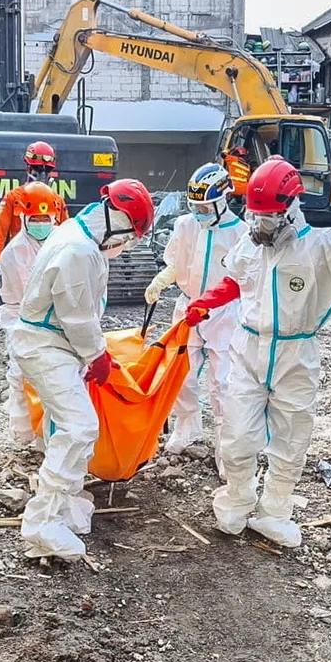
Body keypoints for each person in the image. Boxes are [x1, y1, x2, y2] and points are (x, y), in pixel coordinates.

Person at [184, 157, 331, 548]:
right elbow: (236, 281)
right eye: (255, 216)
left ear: (289, 209)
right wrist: (207, 301)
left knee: (291, 439)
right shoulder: (250, 244)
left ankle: (274, 512)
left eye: (268, 217)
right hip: (247, 349)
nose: (259, 226)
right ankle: (236, 501)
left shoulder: (318, 246)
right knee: (236, 435)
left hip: (295, 352)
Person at [11, 179, 155, 559]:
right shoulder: (77, 250)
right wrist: (98, 357)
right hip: (46, 345)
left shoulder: (80, 237)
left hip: (57, 344)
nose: (125, 247)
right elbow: (76, 316)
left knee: (67, 425)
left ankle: (67, 502)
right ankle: (42, 522)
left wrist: (89, 355)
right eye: (130, 237)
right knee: (80, 426)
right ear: (119, 221)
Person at [144, 163, 247, 461]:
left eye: (204, 207)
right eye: (195, 206)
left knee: (224, 382)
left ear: (221, 200)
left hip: (224, 313)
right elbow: (178, 261)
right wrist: (162, 280)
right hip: (187, 307)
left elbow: (242, 278)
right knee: (180, 374)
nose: (199, 212)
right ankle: (187, 426)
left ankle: (225, 445)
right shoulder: (186, 225)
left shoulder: (240, 234)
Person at [0, 182, 63, 448]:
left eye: (45, 219)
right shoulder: (13, 254)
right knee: (20, 378)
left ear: (54, 217)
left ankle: (51, 438)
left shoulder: (64, 241)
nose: (40, 223)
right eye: (34, 219)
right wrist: (17, 335)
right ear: (23, 217)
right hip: (25, 324)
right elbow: (13, 301)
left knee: (57, 385)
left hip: (59, 324)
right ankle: (24, 433)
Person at [0, 141, 70, 283]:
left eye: (47, 171)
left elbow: (67, 232)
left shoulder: (57, 200)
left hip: (49, 261)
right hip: (20, 262)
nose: (43, 174)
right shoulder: (14, 197)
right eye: (38, 169)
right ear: (28, 168)